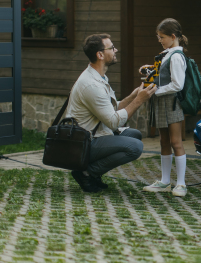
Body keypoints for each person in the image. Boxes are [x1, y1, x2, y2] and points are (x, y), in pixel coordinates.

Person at [66, 33, 157, 193]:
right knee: (135, 147)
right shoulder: (91, 85)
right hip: (84, 142)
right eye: (111, 48)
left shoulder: (99, 78)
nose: (116, 50)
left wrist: (134, 95)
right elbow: (114, 122)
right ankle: (87, 173)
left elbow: (111, 111)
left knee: (134, 135)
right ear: (100, 55)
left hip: (95, 135)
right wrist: (139, 100)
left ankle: (92, 172)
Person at [140, 18, 189, 197]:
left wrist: (156, 90)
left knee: (176, 142)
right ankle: (165, 181)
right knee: (164, 142)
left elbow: (178, 85)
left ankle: (181, 184)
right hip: (162, 102)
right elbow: (163, 72)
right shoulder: (167, 53)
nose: (159, 40)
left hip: (171, 103)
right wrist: (149, 70)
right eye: (158, 37)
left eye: (162, 37)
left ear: (173, 36)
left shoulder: (176, 56)